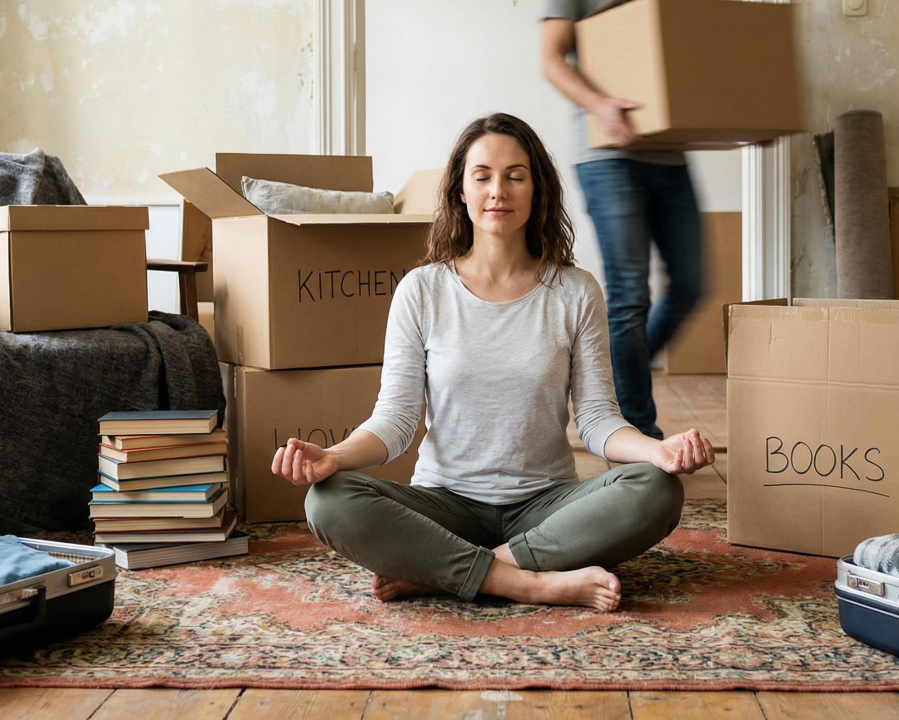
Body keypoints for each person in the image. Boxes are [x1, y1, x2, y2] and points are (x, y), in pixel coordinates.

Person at [272, 113, 714, 613]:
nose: (497, 190)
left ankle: (447, 571)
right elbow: (396, 422)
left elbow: (596, 420)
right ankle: (531, 582)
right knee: (327, 500)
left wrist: (657, 450)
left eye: (515, 176)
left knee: (657, 489)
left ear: (537, 190)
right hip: (445, 505)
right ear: (461, 191)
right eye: (482, 176)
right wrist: (336, 457)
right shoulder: (422, 290)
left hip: (545, 507)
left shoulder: (575, 291)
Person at [540, 1, 704, 440]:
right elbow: (551, 58)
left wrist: (740, 111)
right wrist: (599, 105)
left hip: (669, 152)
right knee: (630, 296)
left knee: (691, 285)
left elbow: (696, 46)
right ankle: (638, 434)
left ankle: (603, 384)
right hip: (607, 156)